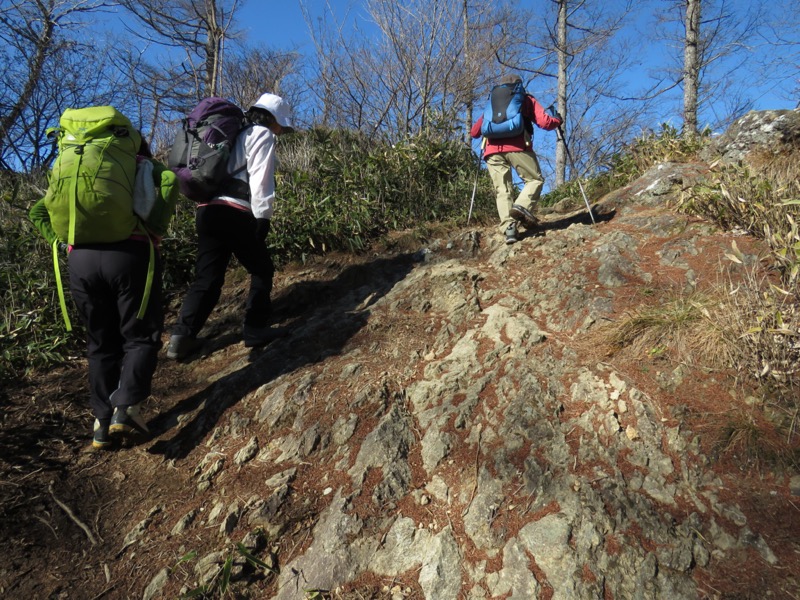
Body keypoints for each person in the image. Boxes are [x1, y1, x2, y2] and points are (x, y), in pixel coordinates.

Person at [29, 135, 176, 449]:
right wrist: (156, 227)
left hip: (81, 261)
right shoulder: (141, 165)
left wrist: (63, 240)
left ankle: (101, 422)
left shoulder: (77, 169)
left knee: (99, 342)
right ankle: (127, 409)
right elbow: (170, 180)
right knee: (139, 335)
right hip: (130, 255)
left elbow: (38, 212)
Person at [166, 93, 294, 360]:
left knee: (208, 277)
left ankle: (181, 337)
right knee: (262, 268)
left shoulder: (233, 132)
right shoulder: (262, 134)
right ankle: (255, 328)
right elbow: (260, 178)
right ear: (272, 119)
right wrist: (263, 217)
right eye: (281, 124)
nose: (281, 130)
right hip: (234, 211)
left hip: (207, 210)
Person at [470, 74, 563, 244]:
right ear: (519, 86)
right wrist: (557, 119)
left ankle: (509, 228)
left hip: (491, 151)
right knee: (534, 180)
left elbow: (474, 132)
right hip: (518, 146)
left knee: (502, 190)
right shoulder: (525, 99)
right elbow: (545, 123)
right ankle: (521, 207)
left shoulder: (493, 101)